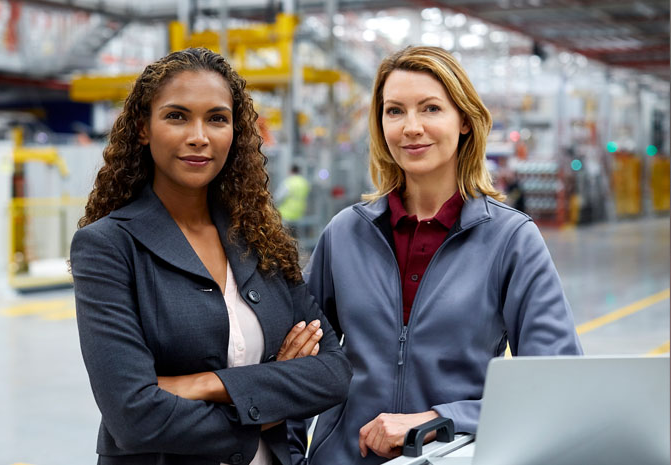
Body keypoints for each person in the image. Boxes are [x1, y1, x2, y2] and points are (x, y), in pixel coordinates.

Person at [289, 46, 582, 464]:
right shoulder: (345, 234)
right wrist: (293, 457)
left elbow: (558, 386)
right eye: (394, 111)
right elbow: (294, 366)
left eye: (430, 109)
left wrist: (436, 419)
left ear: (463, 120)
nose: (411, 127)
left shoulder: (511, 240)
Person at [70, 48, 351, 465]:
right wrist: (266, 408)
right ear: (144, 128)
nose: (199, 135)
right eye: (177, 116)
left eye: (217, 118)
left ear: (235, 132)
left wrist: (203, 384)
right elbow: (132, 416)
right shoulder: (108, 246)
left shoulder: (259, 238)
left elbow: (332, 373)